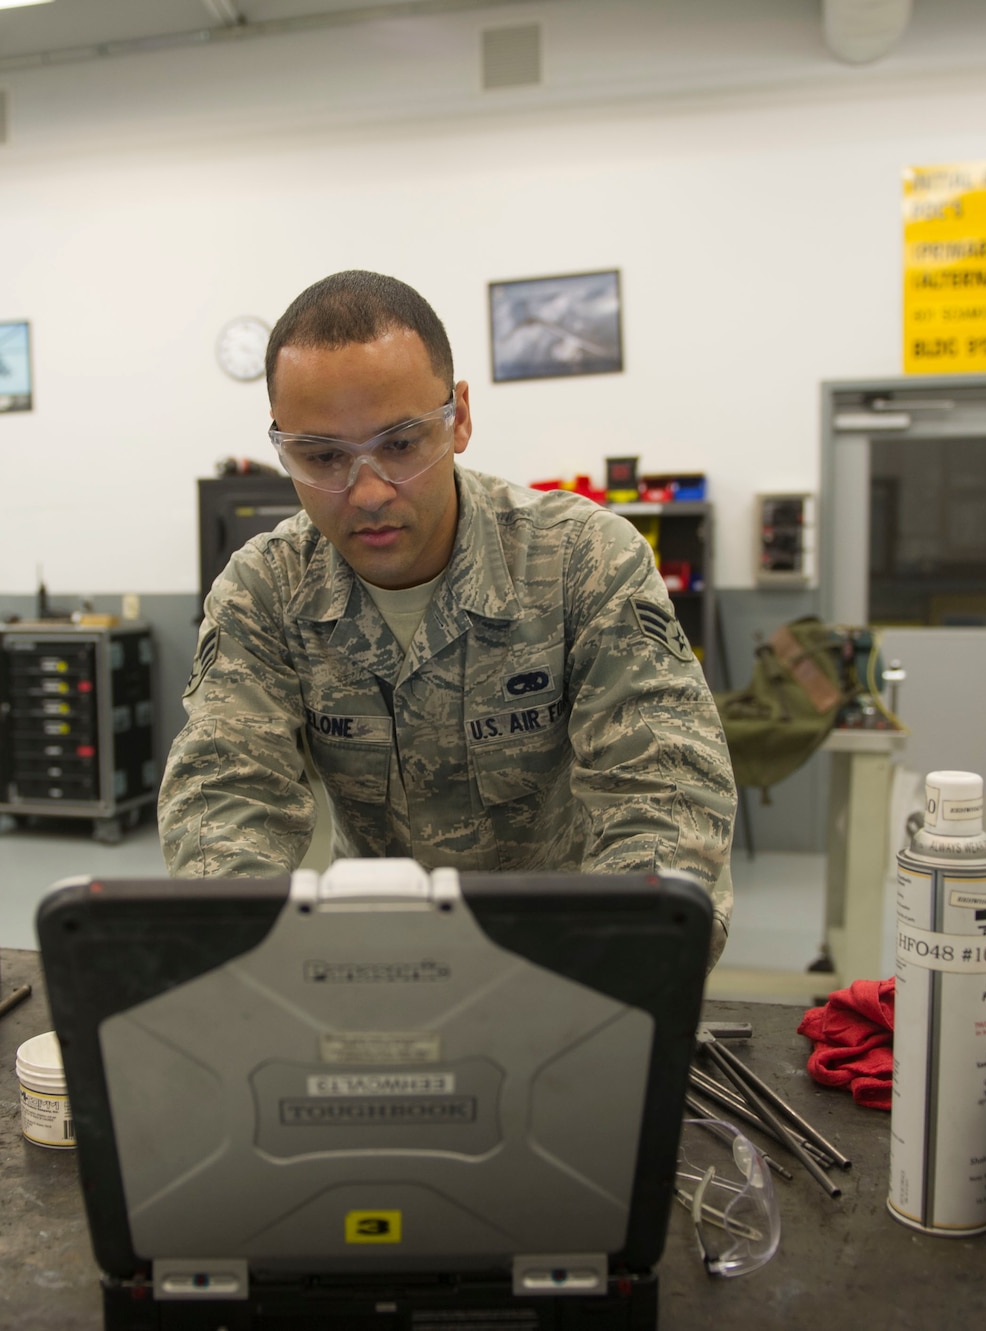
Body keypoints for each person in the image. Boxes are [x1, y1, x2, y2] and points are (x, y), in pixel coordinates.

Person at [159, 270, 736, 960]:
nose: (367, 491)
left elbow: (666, 792)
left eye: (401, 444)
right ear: (283, 447)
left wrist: (619, 975)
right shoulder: (265, 589)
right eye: (322, 457)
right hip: (366, 957)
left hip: (562, 954)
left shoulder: (583, 560)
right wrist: (253, 966)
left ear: (458, 417)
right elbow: (225, 797)